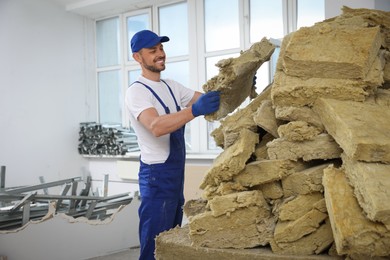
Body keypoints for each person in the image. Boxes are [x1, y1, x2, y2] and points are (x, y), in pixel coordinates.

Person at [125, 30, 220, 260]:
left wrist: (240, 86)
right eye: (153, 51)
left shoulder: (171, 86)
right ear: (138, 58)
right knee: (154, 245)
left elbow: (210, 100)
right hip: (156, 178)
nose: (160, 54)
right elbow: (156, 126)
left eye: (161, 48)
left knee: (170, 243)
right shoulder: (136, 92)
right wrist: (194, 111)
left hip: (175, 176)